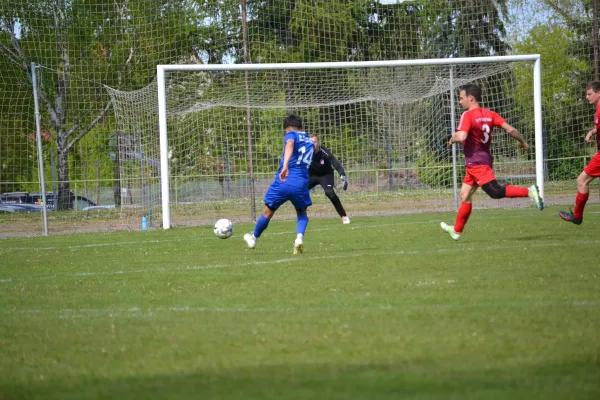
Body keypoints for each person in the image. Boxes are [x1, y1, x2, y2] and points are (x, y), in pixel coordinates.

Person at [440, 83, 544, 241]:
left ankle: (529, 191)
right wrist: (523, 141)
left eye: (461, 99)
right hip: (481, 160)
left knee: (495, 192)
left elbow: (461, 137)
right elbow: (510, 129)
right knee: (464, 194)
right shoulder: (490, 114)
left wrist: (451, 139)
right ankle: (456, 230)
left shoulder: (467, 115)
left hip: (477, 163)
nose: (460, 102)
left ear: (471, 98)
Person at [244, 114, 315, 254]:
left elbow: (289, 144)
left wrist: (285, 166)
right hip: (301, 183)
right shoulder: (310, 141)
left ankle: (254, 238)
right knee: (302, 213)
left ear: (287, 129)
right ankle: (299, 238)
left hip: (284, 180)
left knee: (268, 211)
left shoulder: (291, 135)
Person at [558, 81, 600, 225]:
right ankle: (577, 216)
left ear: (599, 93)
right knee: (582, 181)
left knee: (582, 181)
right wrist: (593, 131)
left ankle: (577, 216)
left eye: (589, 94)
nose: (587, 97)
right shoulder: (598, 111)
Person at [308, 134, 350, 224]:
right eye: (310, 142)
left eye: (314, 142)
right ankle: (302, 215)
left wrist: (343, 176)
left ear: (318, 143)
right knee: (298, 191)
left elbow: (335, 163)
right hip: (312, 176)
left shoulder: (324, 152)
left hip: (326, 175)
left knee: (329, 193)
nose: (312, 144)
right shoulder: (305, 153)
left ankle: (343, 216)